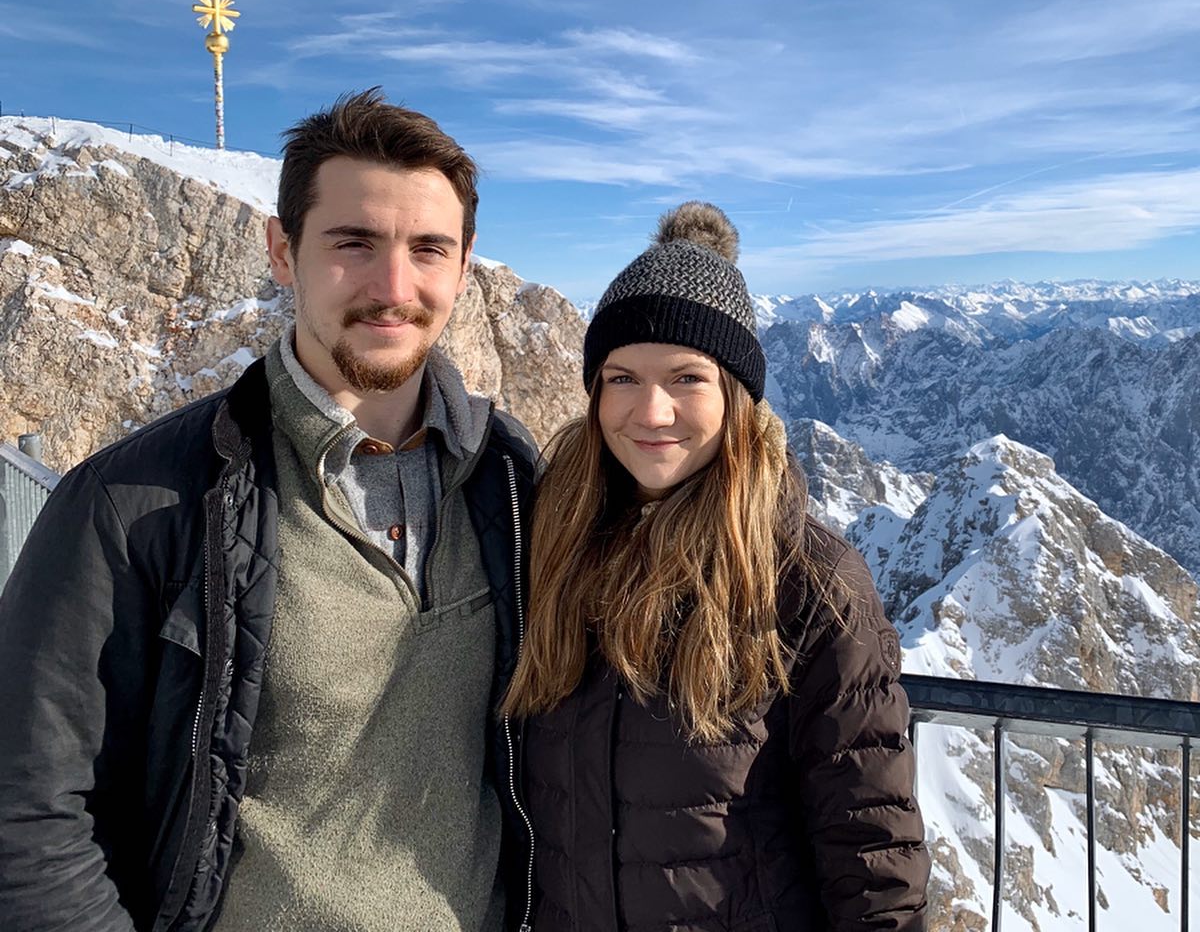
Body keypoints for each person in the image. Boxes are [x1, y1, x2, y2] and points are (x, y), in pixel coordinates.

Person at [0, 89, 538, 932]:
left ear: (464, 269)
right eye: (353, 243)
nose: (394, 286)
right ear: (282, 252)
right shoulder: (137, 503)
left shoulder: (512, 481)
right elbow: (27, 808)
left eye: (428, 249)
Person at [502, 201, 930, 932]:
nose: (652, 410)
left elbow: (871, 847)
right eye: (622, 378)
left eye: (687, 378)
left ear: (736, 397)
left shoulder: (806, 581)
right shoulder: (546, 538)